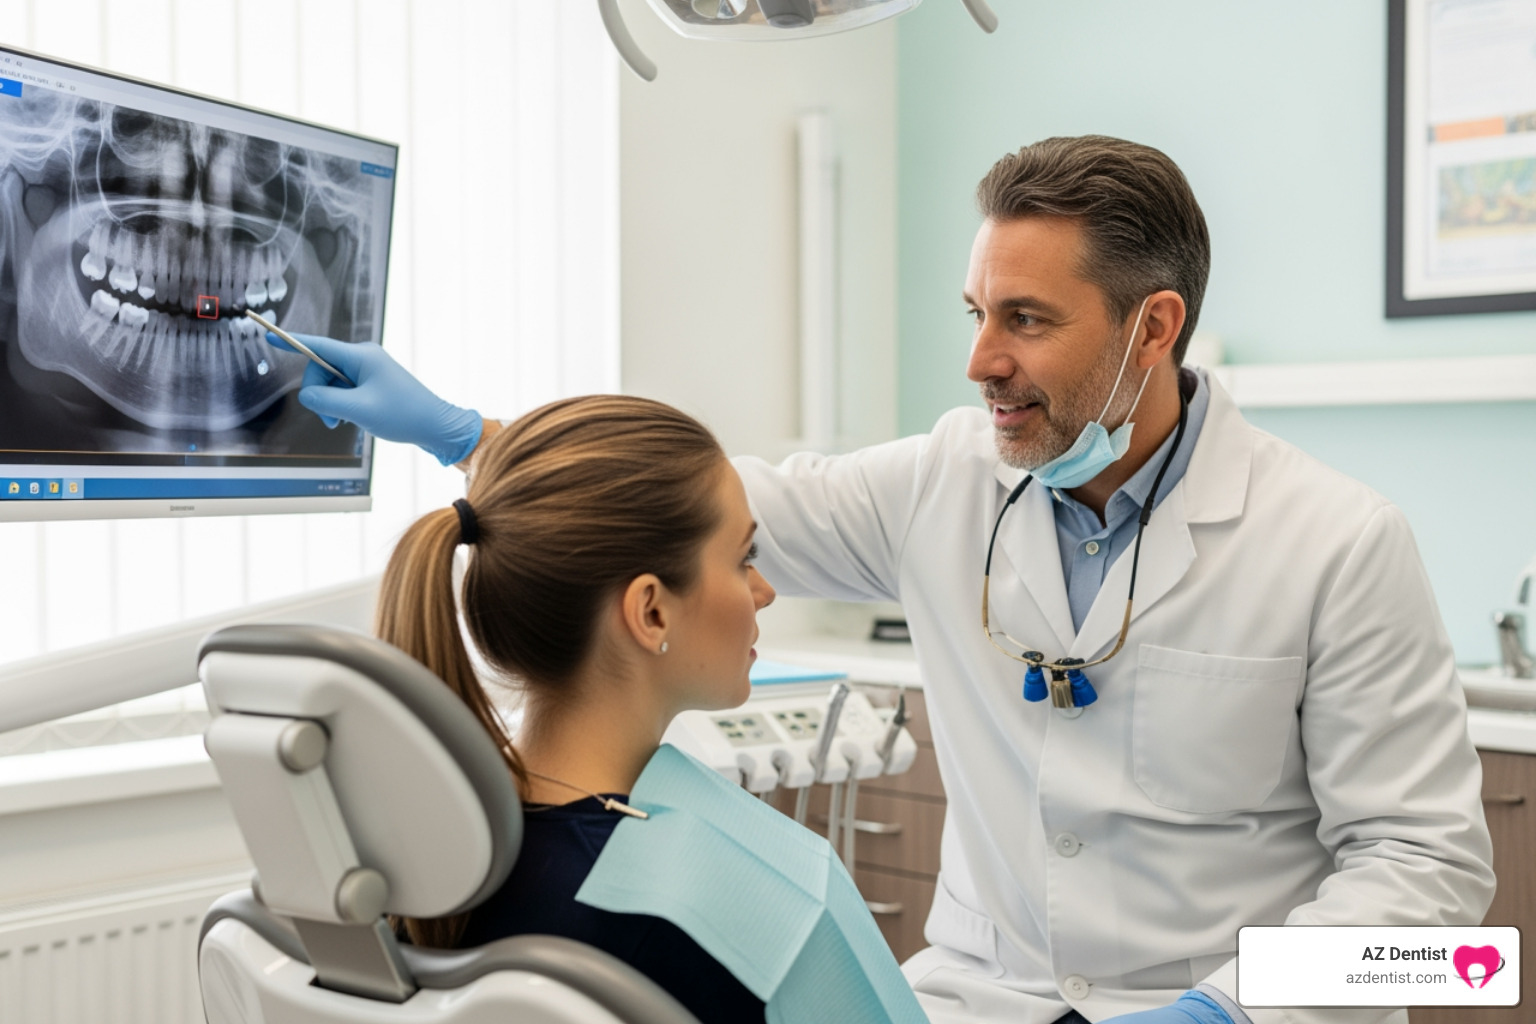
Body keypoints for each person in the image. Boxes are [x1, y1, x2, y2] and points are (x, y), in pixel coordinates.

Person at [271, 136, 1494, 1024]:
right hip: (975, 1001)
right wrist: (464, 433)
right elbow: (684, 518)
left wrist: (1224, 1009)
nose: (980, 361)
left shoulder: (1338, 542)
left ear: (1153, 327)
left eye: (1025, 320)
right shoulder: (945, 479)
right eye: (976, 312)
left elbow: (1439, 898)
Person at [373, 394, 777, 1023]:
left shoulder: (429, 850)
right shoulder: (670, 915)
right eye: (743, 559)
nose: (765, 591)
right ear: (651, 612)